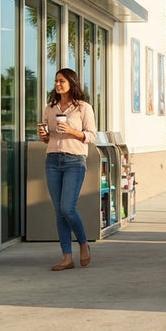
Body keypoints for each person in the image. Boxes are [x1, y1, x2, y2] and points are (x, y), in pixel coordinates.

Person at [37, 68, 97, 271]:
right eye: (56, 81)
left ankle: (83, 243)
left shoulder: (83, 108)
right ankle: (66, 258)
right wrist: (44, 135)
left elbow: (91, 135)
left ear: (72, 83)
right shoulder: (50, 107)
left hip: (74, 161)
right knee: (59, 212)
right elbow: (47, 138)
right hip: (52, 160)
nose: (57, 84)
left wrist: (71, 130)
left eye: (61, 81)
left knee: (67, 208)